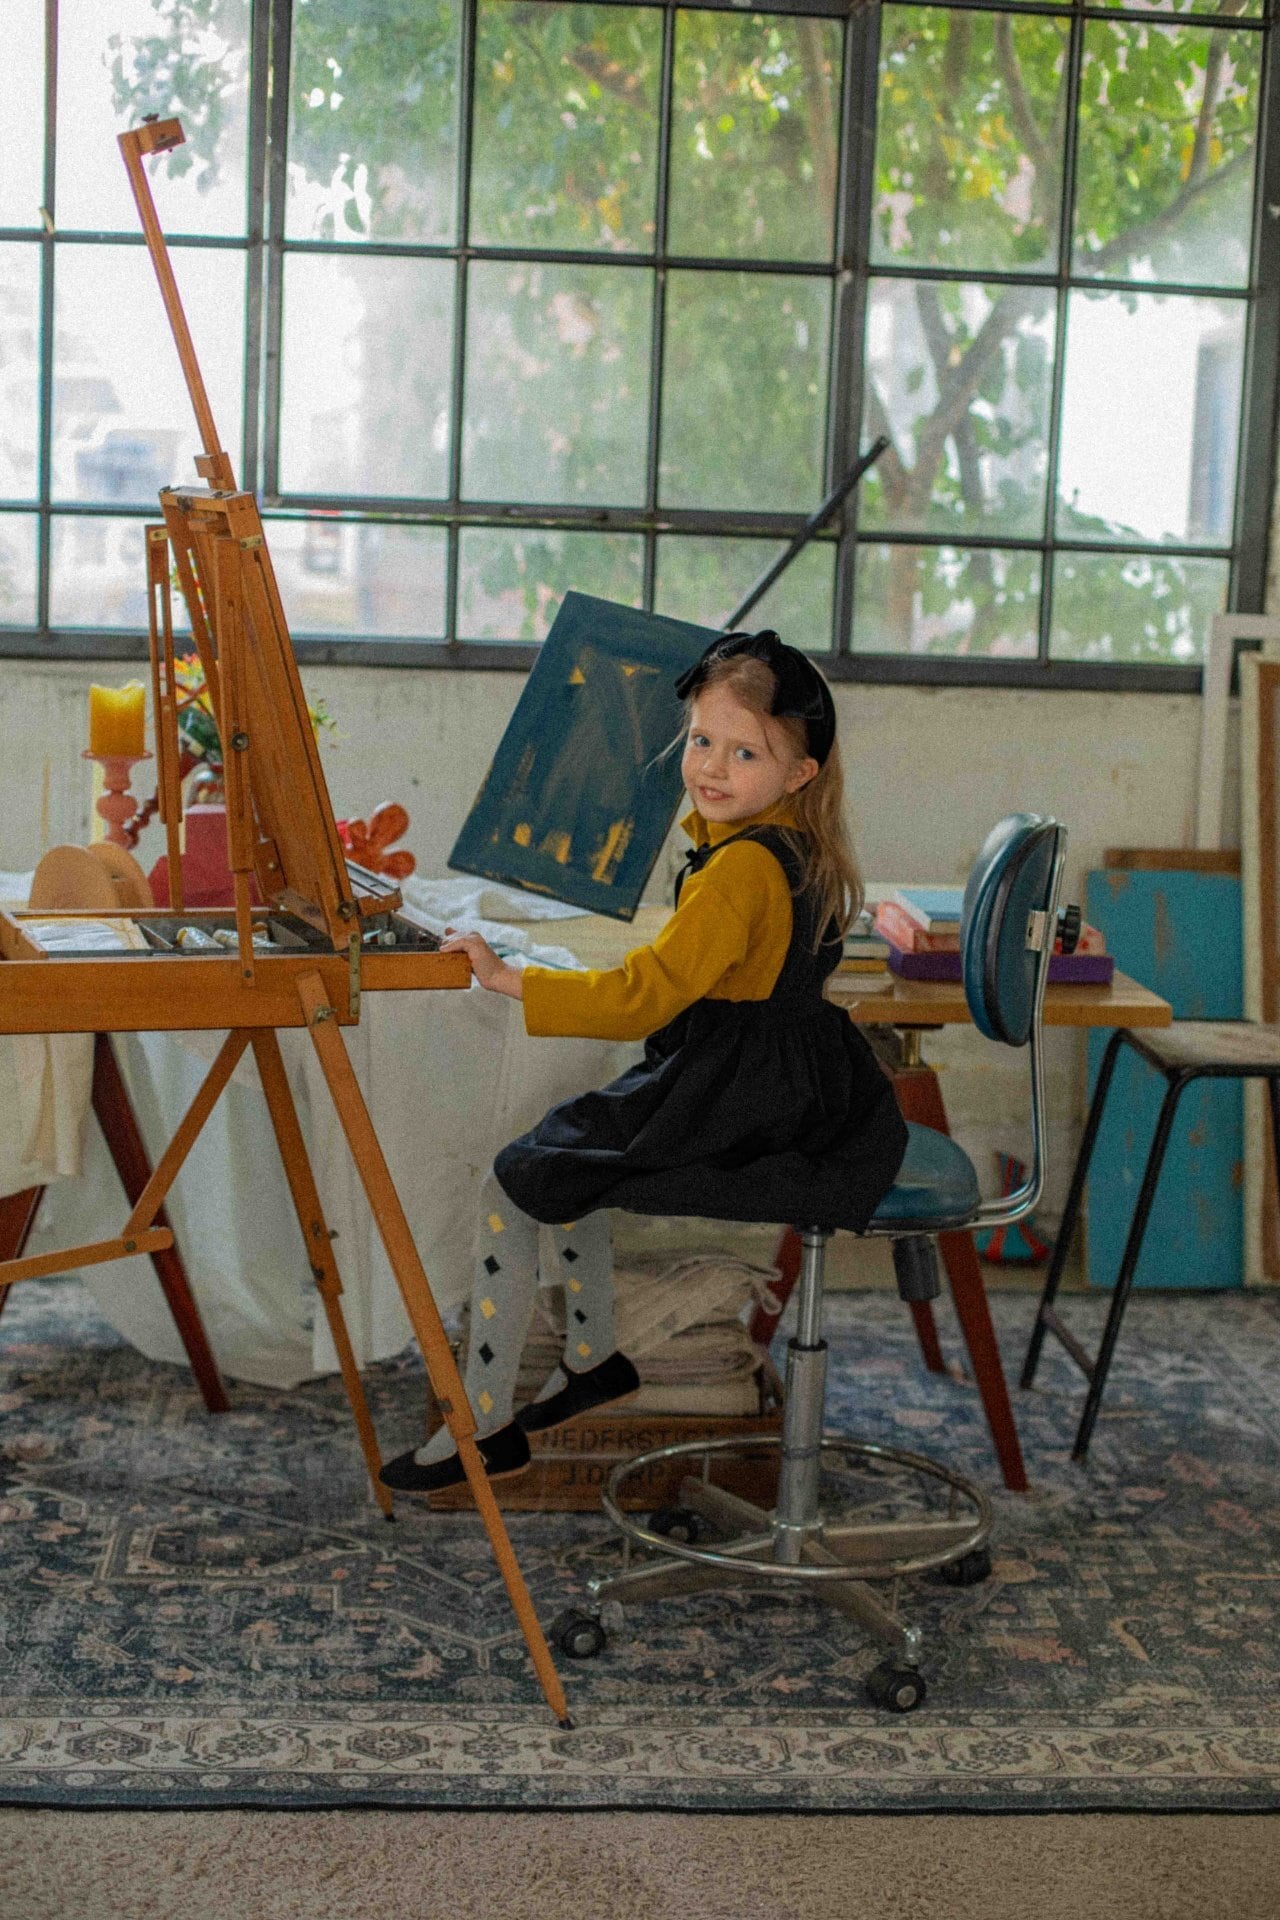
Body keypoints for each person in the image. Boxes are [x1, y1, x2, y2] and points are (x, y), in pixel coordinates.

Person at [380, 629, 909, 1493]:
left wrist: (507, 977)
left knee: (516, 1180)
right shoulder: (791, 846)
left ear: (800, 773)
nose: (712, 767)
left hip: (739, 1093)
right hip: (794, 1083)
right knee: (568, 1156)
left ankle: (482, 1427)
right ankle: (592, 1361)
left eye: (745, 752)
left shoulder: (737, 870)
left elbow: (642, 998)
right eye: (702, 741)